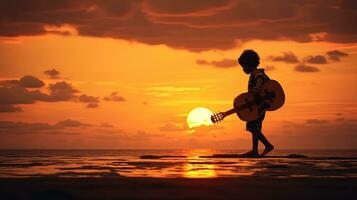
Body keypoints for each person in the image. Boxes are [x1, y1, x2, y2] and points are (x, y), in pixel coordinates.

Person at [238, 49, 274, 157]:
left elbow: (260, 78)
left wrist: (257, 88)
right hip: (257, 106)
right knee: (255, 127)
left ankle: (268, 145)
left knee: (253, 127)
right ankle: (254, 150)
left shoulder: (256, 73)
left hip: (260, 106)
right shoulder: (254, 73)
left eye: (243, 66)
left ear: (249, 64)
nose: (243, 69)